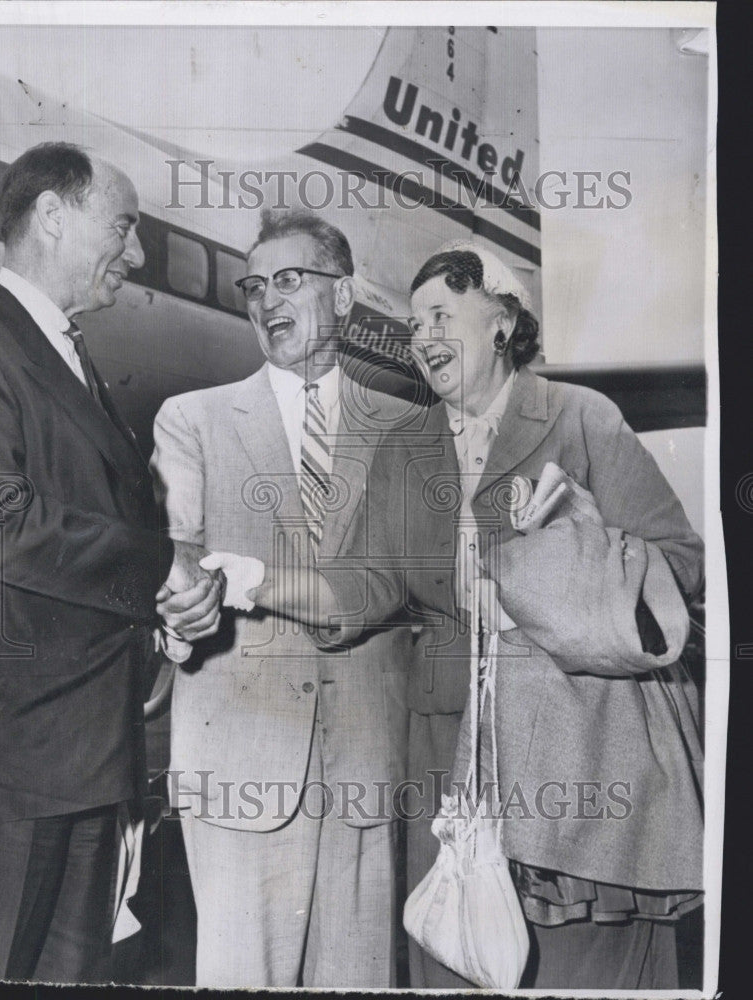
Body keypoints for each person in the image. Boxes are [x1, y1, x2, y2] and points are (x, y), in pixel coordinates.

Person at [251, 243, 705, 990]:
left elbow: (675, 560)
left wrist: (578, 555)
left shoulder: (579, 417)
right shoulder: (405, 445)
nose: (421, 336)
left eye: (440, 315)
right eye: (412, 323)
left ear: (501, 323)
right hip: (449, 751)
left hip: (578, 749)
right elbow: (367, 583)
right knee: (454, 954)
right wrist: (255, 583)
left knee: (581, 966)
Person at [0, 142, 220, 983]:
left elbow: (93, 535)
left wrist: (168, 600)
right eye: (123, 225)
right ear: (53, 216)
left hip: (81, 754)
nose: (140, 253)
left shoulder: (66, 356)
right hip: (3, 772)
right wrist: (159, 569)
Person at [149, 209, 412, 988]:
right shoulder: (191, 418)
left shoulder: (408, 429)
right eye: (254, 286)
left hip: (364, 762)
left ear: (345, 296)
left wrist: (255, 583)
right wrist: (177, 607)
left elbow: (401, 580)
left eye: (290, 279)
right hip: (237, 759)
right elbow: (179, 550)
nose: (267, 300)